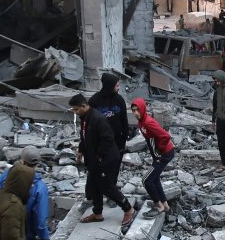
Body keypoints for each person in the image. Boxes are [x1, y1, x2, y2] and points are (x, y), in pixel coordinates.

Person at [70, 94, 134, 227]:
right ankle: (97, 213)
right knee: (94, 185)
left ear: (83, 106)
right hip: (93, 159)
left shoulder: (97, 118)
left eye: (76, 109)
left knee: (107, 187)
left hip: (106, 159)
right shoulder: (84, 118)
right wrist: (81, 150)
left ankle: (128, 209)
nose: (75, 112)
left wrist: (99, 156)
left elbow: (108, 138)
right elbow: (84, 136)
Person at [131, 99, 174, 218]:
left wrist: (159, 150)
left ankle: (158, 206)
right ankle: (165, 206)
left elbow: (165, 136)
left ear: (143, 109)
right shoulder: (141, 122)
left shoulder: (148, 122)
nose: (135, 113)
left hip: (164, 154)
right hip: (159, 155)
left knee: (146, 180)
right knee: (154, 179)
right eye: (133, 110)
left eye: (137, 110)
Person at [89, 72, 130, 154]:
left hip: (117, 140)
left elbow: (124, 120)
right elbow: (90, 123)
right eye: (117, 86)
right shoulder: (94, 101)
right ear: (109, 86)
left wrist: (124, 139)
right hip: (100, 141)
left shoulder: (119, 100)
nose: (119, 88)